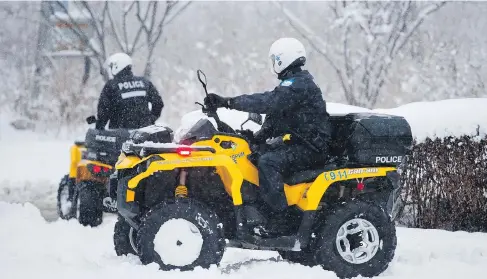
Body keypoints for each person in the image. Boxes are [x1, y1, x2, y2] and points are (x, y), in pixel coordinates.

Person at [204, 37, 332, 235]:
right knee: (254, 155)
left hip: (311, 149)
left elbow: (269, 102)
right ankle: (258, 211)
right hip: (299, 144)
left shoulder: (300, 84)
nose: (273, 64)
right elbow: (276, 118)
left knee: (268, 162)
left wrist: (228, 102)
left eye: (274, 59)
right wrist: (256, 138)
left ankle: (282, 220)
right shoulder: (291, 85)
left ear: (282, 59)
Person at [95, 53, 164, 130]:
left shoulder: (111, 85)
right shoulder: (144, 82)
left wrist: (99, 128)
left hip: (119, 134)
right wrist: (150, 120)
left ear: (116, 66)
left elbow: (104, 111)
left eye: (111, 67)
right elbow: (158, 103)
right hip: (143, 134)